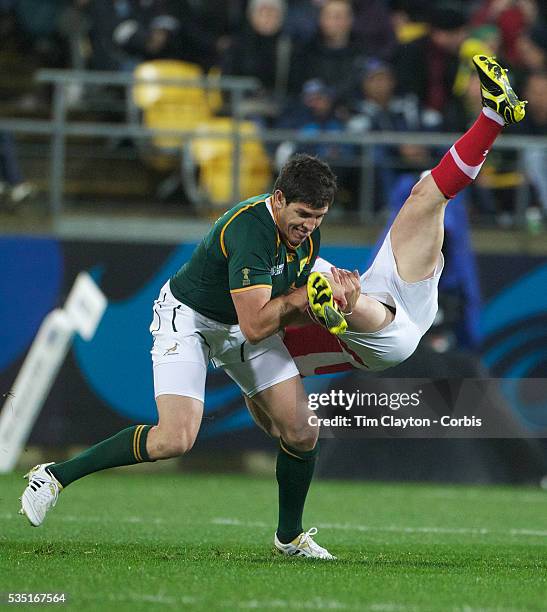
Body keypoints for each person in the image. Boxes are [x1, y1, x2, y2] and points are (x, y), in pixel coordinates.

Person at [20, 155, 342, 560]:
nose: (310, 225)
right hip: (189, 320)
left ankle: (290, 538)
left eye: (319, 216)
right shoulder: (250, 229)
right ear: (278, 199)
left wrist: (322, 305)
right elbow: (258, 325)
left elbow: (274, 311)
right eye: (303, 214)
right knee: (174, 439)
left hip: (242, 323)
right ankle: (52, 477)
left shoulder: (307, 236)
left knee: (301, 430)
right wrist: (303, 300)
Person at [269, 56, 526, 383]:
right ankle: (339, 303)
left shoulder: (266, 258)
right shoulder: (248, 345)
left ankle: (494, 116)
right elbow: (288, 398)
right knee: (350, 303)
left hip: (384, 289)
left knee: (426, 192)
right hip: (376, 343)